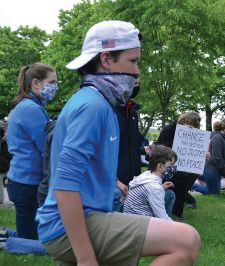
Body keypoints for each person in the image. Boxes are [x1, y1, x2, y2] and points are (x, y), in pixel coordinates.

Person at [36, 21, 200, 265]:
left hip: (87, 216)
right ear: (106, 59)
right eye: (133, 61)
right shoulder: (91, 106)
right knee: (186, 240)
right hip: (71, 222)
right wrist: (85, 258)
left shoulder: (99, 103)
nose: (137, 72)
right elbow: (64, 186)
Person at [6, 63, 57, 240]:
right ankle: (7, 242)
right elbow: (48, 149)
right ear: (36, 83)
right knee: (33, 241)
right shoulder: (32, 110)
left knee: (29, 233)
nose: (55, 87)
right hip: (27, 184)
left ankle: (7, 237)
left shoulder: (25, 106)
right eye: (52, 82)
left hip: (21, 180)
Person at [155, 111, 201, 220]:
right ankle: (177, 209)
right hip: (164, 165)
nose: (193, 128)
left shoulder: (192, 134)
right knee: (182, 175)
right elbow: (162, 150)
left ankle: (179, 205)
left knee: (192, 173)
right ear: (184, 121)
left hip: (179, 166)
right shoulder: (169, 130)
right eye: (192, 124)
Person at [192, 117, 225, 196]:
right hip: (212, 169)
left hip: (221, 166)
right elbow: (217, 159)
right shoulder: (217, 138)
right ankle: (191, 185)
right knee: (213, 193)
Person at [124, 145, 176, 220]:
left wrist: (161, 187)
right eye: (171, 165)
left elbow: (150, 190)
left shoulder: (147, 174)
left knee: (169, 193)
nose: (173, 168)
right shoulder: (154, 188)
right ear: (160, 167)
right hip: (139, 225)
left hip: (131, 218)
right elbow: (163, 218)